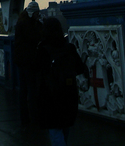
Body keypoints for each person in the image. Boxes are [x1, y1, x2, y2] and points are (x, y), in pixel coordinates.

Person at [35, 17, 87, 146]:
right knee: (65, 126)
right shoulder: (69, 47)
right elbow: (80, 68)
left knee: (54, 129)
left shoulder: (43, 49)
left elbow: (36, 70)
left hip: (50, 95)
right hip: (69, 93)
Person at [13, 0, 43, 128]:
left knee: (23, 90)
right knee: (32, 89)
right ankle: (35, 118)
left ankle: (24, 118)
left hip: (21, 60)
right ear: (33, 13)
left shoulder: (20, 23)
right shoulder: (30, 25)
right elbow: (36, 38)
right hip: (30, 61)